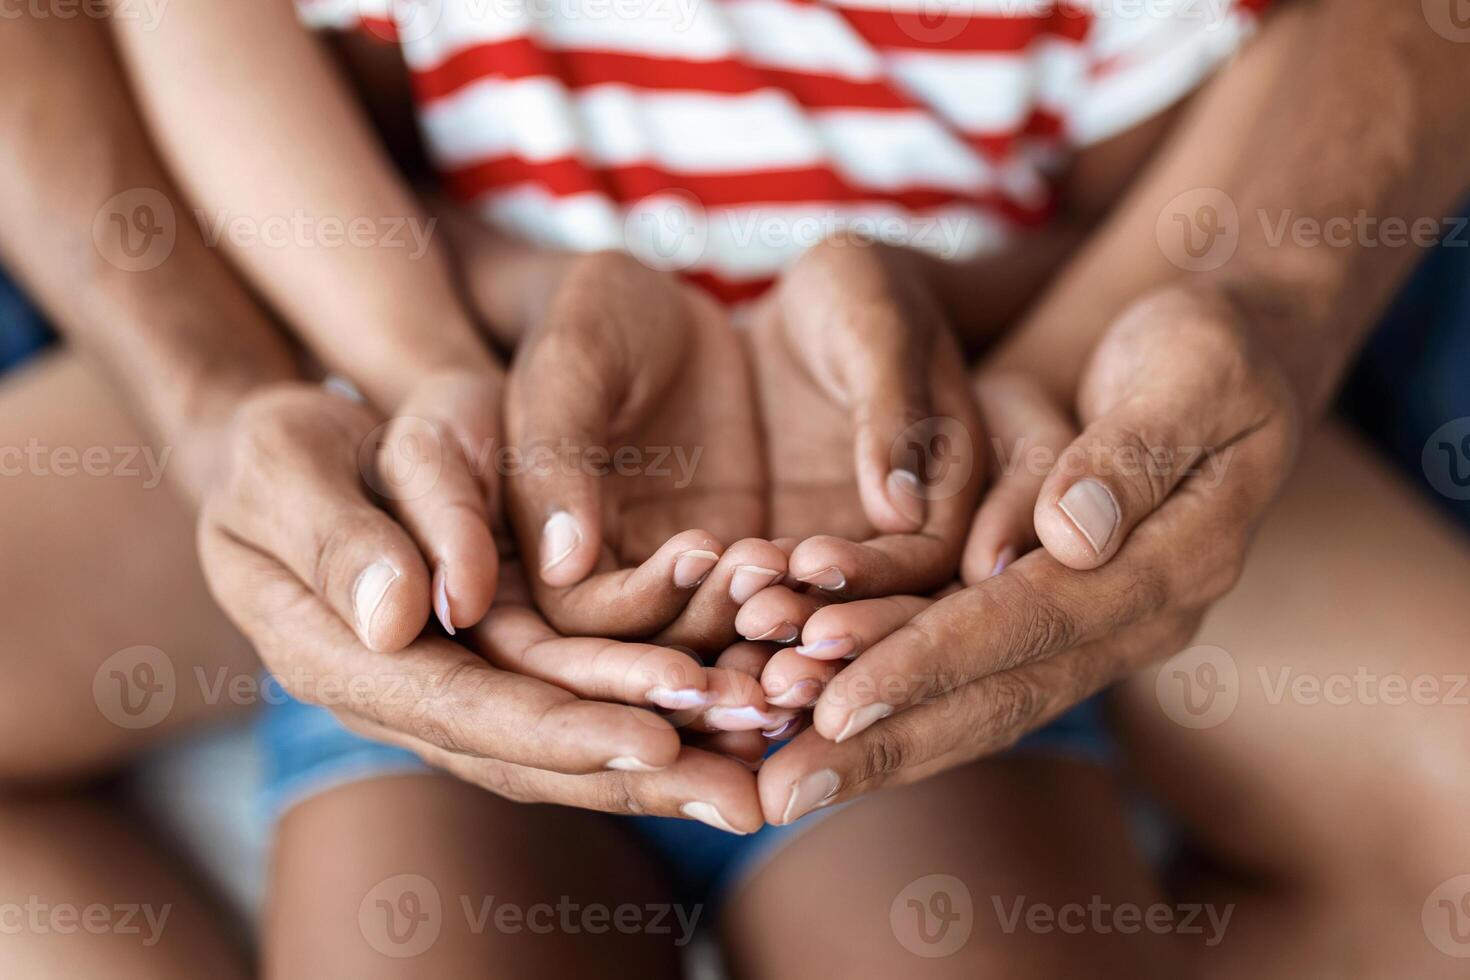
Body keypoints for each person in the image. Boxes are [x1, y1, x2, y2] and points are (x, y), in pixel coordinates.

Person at [1, 1, 1469, 978]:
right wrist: (435, 353)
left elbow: (1170, 190)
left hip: (908, 558)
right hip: (465, 515)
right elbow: (206, 65)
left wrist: (973, 335)